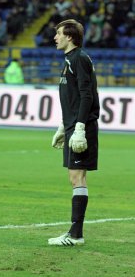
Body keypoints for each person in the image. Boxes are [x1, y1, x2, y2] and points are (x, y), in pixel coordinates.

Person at [48, 19, 100, 246]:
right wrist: (64, 125)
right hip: (72, 126)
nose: (55, 38)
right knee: (75, 177)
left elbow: (87, 95)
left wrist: (79, 127)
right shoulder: (69, 60)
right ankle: (75, 232)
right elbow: (73, 99)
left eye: (58, 34)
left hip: (82, 127)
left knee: (77, 177)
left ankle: (76, 234)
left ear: (69, 37)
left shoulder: (79, 59)